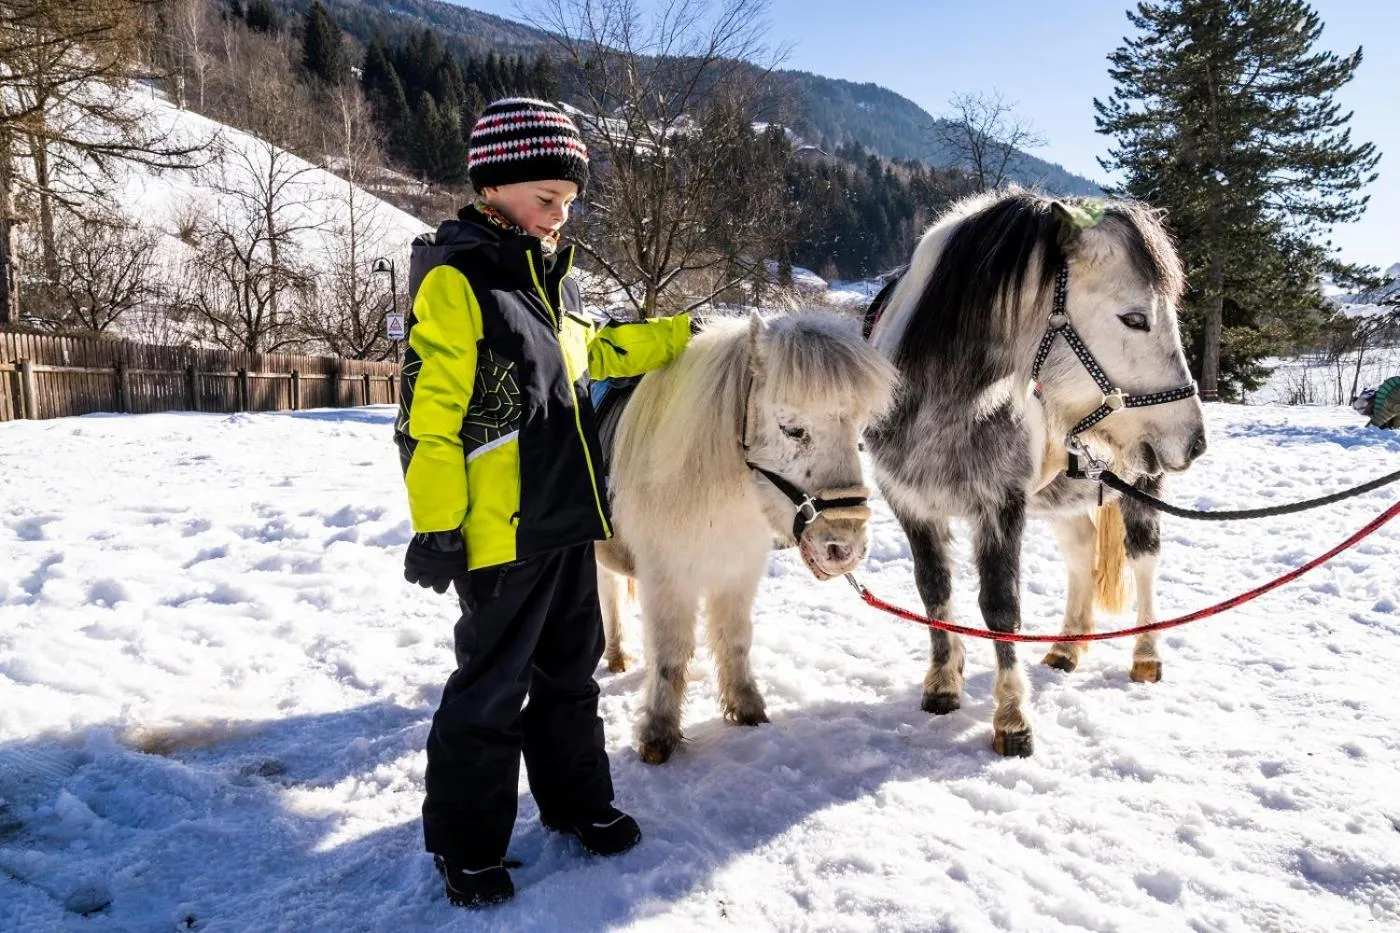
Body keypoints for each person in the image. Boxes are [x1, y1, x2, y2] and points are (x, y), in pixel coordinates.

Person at [393, 97, 692, 909]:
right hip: (499, 535)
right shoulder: (460, 281)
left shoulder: (550, 282)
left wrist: (679, 337)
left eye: (569, 200)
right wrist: (437, 526)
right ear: (493, 185)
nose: (561, 214)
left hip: (566, 525)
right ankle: (466, 846)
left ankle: (577, 803)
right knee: (491, 691)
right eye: (548, 197)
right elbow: (429, 418)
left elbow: (600, 348)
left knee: (571, 676)